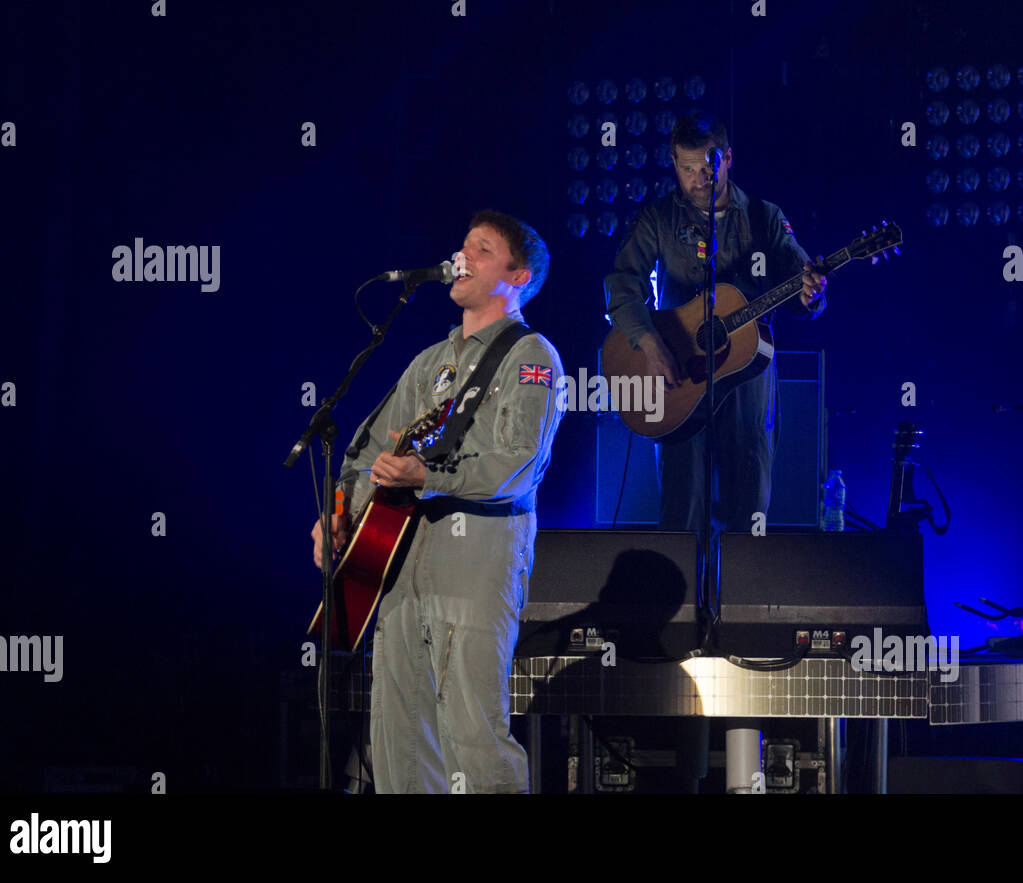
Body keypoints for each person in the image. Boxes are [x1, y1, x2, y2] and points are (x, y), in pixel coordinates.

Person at [311, 210, 563, 793]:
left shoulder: (532, 357)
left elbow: (519, 464)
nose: (462, 254)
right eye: (463, 244)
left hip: (474, 567)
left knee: (474, 738)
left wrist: (427, 472)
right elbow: (367, 450)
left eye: (482, 247)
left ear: (518, 275)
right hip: (398, 571)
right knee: (398, 742)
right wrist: (339, 512)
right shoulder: (430, 361)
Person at [604, 111, 828, 532]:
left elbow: (800, 291)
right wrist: (651, 347)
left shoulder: (765, 217)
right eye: (687, 169)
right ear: (674, 163)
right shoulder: (658, 218)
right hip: (679, 375)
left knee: (749, 509)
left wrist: (810, 294)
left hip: (747, 378)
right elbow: (621, 284)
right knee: (681, 511)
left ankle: (743, 595)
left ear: (727, 158)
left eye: (707, 166)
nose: (697, 178)